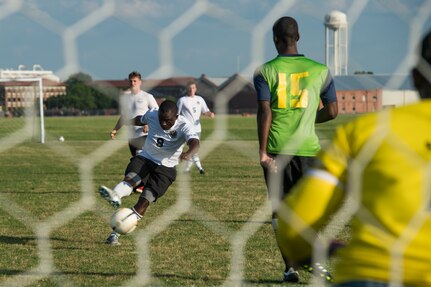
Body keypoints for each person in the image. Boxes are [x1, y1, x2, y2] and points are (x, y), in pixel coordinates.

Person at [277, 31, 431, 286]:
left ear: (415, 77)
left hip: (371, 273)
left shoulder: (365, 132)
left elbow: (294, 226)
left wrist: (308, 251)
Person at [253, 16, 338, 282]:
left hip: (278, 150)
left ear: (275, 40)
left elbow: (264, 110)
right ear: (298, 37)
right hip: (309, 150)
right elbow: (333, 111)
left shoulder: (264, 71)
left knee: (280, 210)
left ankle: (290, 267)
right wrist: (309, 117)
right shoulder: (320, 70)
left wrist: (263, 153)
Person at [99, 100, 200, 245]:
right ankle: (116, 195)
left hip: (166, 169)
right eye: (161, 119)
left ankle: (115, 234)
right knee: (131, 179)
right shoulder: (153, 114)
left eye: (168, 121)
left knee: (145, 200)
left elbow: (195, 142)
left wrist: (188, 153)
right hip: (146, 158)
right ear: (157, 114)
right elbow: (140, 120)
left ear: (177, 116)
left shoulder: (185, 125)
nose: (164, 124)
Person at [110, 71, 158, 157]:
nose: (132, 83)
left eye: (135, 81)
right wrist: (115, 129)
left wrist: (148, 124)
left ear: (140, 82)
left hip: (144, 134)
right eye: (131, 81)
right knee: (136, 159)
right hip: (131, 136)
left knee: (139, 158)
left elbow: (156, 113)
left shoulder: (147, 96)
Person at [177, 80, 215, 174]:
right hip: (184, 128)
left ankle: (190, 169)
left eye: (193, 88)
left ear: (196, 89)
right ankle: (199, 168)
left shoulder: (200, 99)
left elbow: (205, 111)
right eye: (189, 88)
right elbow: (176, 114)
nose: (191, 90)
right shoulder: (182, 100)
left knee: (194, 149)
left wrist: (209, 114)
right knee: (178, 148)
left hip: (197, 129)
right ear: (187, 89)